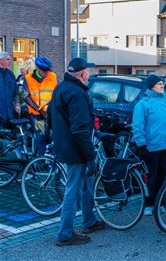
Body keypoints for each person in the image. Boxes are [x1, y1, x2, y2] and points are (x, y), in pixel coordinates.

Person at [50, 58, 104, 246]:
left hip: (65, 146)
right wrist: (89, 156)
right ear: (82, 74)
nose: (88, 74)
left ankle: (89, 221)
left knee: (84, 184)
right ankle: (65, 233)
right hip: (75, 149)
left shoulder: (61, 88)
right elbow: (80, 129)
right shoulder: (77, 93)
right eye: (87, 71)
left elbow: (51, 117)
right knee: (72, 189)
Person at [132, 74, 166, 216]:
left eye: (162, 83)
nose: (162, 85)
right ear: (151, 86)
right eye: (159, 83)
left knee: (163, 177)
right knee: (151, 177)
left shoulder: (165, 102)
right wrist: (141, 144)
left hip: (165, 146)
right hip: (151, 147)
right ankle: (149, 203)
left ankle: (160, 202)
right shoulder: (143, 104)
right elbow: (137, 126)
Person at [23, 57, 57, 155]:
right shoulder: (28, 78)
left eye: (47, 70)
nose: (46, 73)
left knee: (54, 137)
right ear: (38, 68)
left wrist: (49, 107)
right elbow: (26, 96)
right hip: (37, 115)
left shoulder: (53, 76)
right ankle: (41, 162)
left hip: (50, 112)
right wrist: (39, 109)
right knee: (41, 138)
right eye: (44, 71)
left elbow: (57, 93)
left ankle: (53, 163)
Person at [0, 51, 20, 128]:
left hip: (11, 114)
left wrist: (17, 104)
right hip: (1, 114)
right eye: (7, 59)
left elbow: (16, 92)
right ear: (1, 61)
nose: (10, 62)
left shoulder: (11, 74)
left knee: (12, 137)